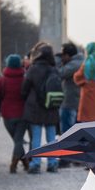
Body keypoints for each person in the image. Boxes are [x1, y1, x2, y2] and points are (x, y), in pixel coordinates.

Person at [22, 43, 62, 174]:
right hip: (51, 106)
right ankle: (52, 163)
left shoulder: (33, 69)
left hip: (36, 107)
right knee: (51, 137)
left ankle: (36, 163)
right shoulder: (54, 69)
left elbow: (25, 88)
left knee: (36, 137)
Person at [0, 54, 28, 173]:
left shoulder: (3, 79)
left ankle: (14, 165)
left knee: (17, 140)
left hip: (7, 114)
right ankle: (24, 162)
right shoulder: (24, 78)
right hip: (22, 114)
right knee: (18, 140)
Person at [58, 42, 85, 135]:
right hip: (78, 101)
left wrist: (58, 63)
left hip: (71, 102)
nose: (61, 58)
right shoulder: (80, 61)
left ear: (68, 55)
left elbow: (60, 74)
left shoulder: (74, 64)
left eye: (63, 56)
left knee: (67, 133)